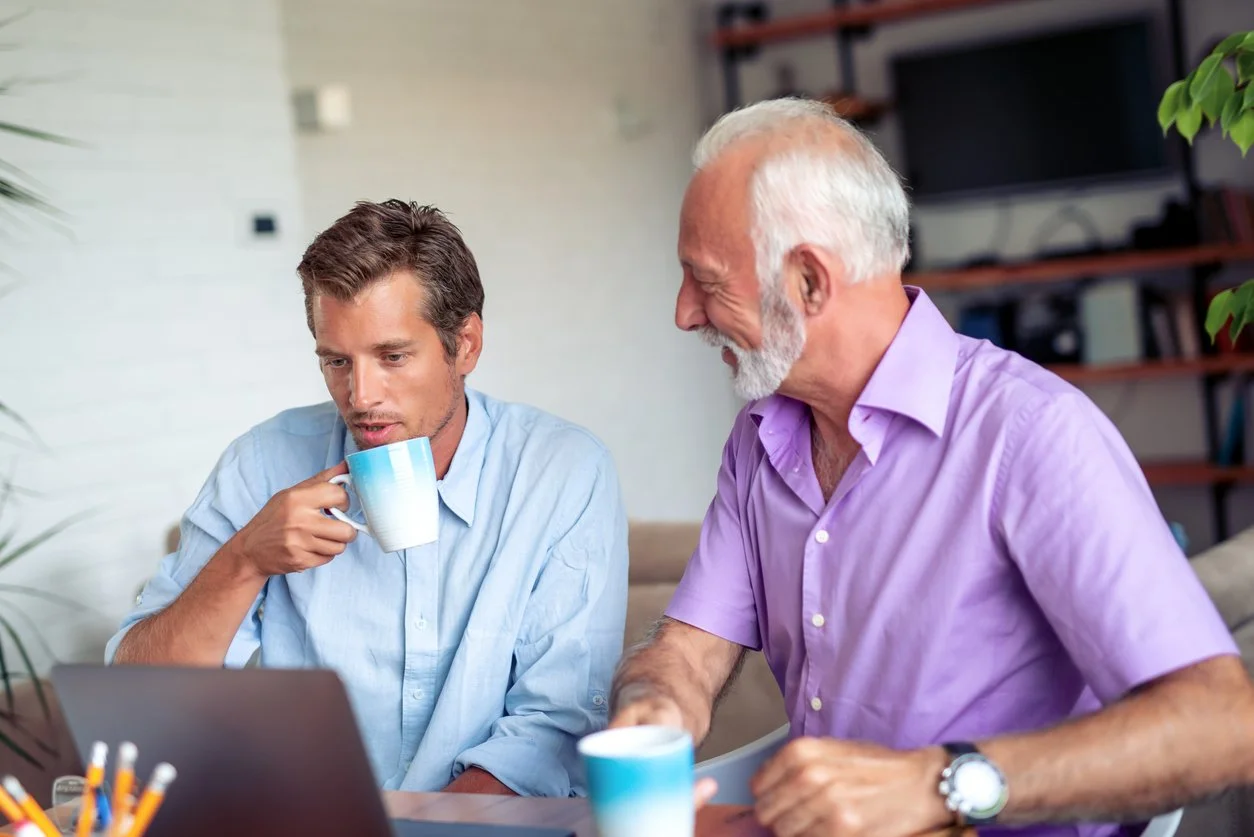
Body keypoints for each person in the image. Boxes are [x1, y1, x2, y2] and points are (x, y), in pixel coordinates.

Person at [609, 98, 1254, 837]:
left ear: (810, 283)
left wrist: (941, 782)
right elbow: (688, 651)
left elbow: (1222, 722)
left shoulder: (1030, 433)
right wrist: (654, 698)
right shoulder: (758, 440)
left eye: (707, 281)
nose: (684, 313)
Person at [107, 199, 629, 798]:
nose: (360, 396)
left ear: (465, 345)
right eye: (336, 361)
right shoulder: (260, 463)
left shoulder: (562, 471)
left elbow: (554, 729)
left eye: (392, 356)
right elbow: (137, 705)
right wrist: (246, 560)